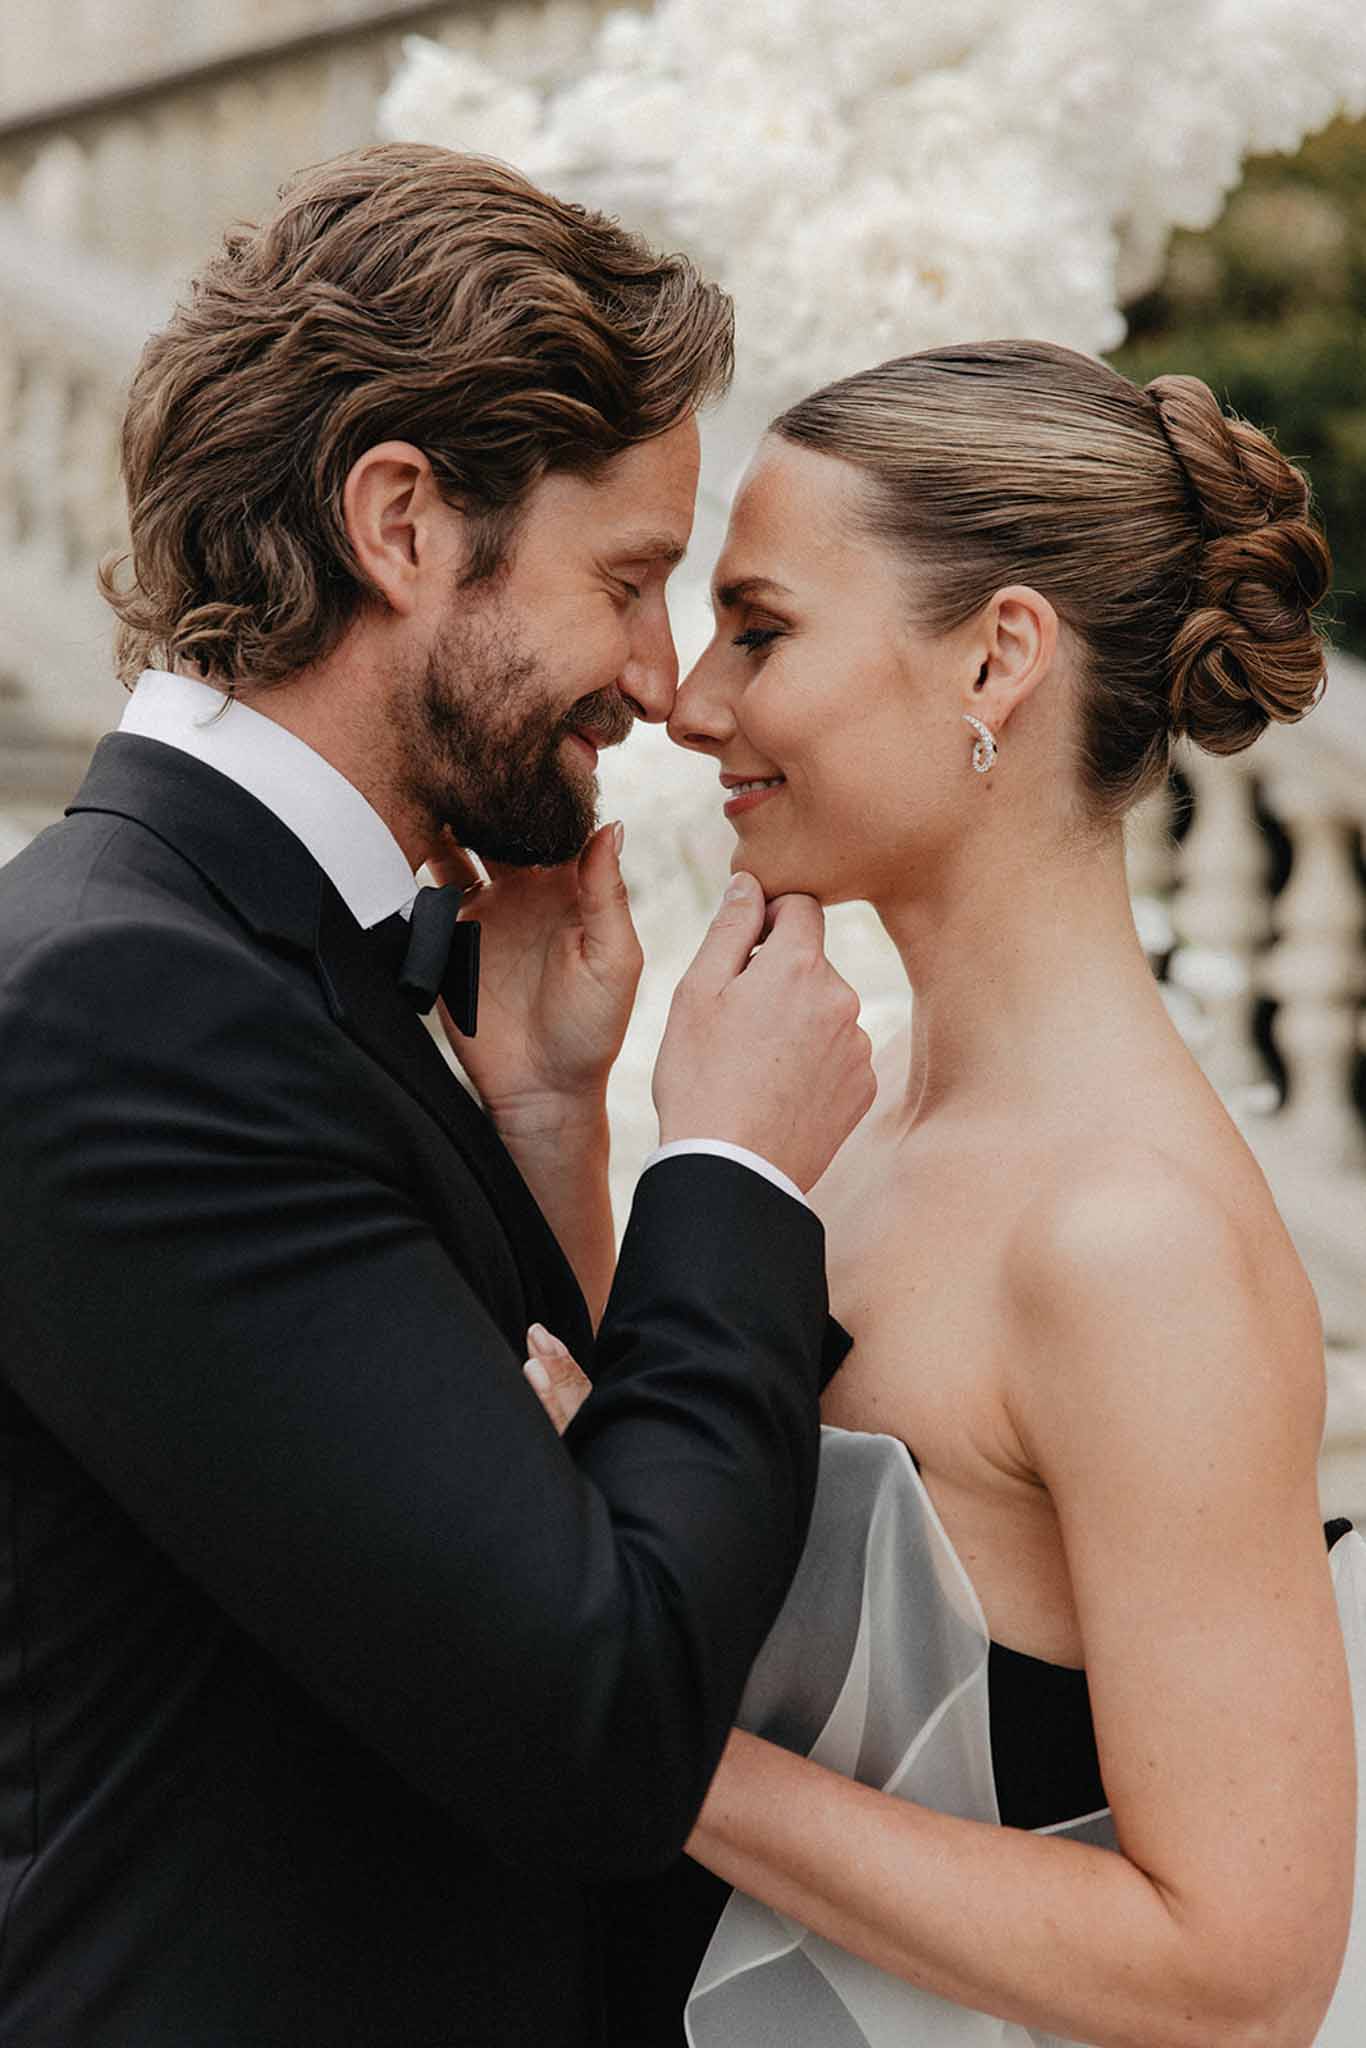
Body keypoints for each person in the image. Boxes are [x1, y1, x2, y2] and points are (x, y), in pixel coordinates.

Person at [0, 144, 878, 2047]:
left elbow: (510, 1535)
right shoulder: (122, 1000)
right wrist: (730, 1170)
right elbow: (599, 1721)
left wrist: (556, 1120)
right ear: (401, 522)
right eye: (630, 579)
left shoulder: (267, 955)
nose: (658, 684)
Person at [525, 341, 1366, 2045]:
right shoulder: (853, 1106)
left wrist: (638, 1747)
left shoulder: (1128, 1245)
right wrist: (556, 1115)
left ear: (996, 659)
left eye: (758, 630)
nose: (687, 700)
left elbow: (1242, 1969)